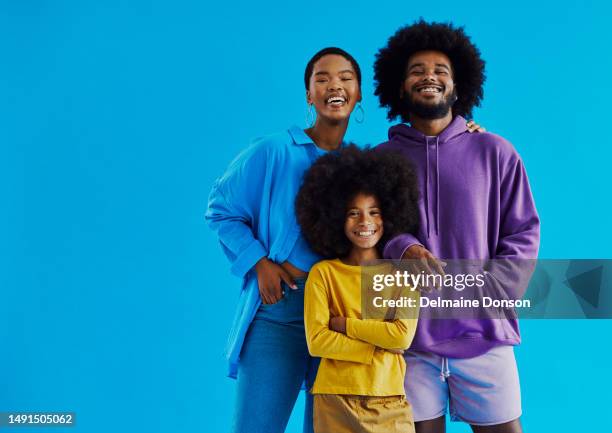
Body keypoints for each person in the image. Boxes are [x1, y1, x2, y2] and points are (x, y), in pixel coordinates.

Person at [373, 20, 540, 433]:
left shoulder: (495, 151)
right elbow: (367, 229)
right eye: (416, 70)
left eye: (440, 70)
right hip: (408, 339)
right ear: (399, 86)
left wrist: (491, 292)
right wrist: (402, 247)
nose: (429, 76)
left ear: (457, 85)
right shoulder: (378, 160)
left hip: (484, 333)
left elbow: (523, 232)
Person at [205, 47, 363, 433]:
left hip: (337, 316)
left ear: (359, 93)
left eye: (345, 78)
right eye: (322, 79)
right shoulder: (273, 150)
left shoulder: (362, 165)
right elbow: (220, 209)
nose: (334, 86)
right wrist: (259, 264)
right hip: (280, 313)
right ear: (309, 95)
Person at [296, 145, 421, 433]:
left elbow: (401, 337)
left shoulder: (403, 276)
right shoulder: (323, 274)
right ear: (335, 217)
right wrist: (375, 347)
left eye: (374, 212)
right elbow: (317, 341)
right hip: (334, 398)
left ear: (389, 216)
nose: (364, 222)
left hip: (388, 396)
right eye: (353, 213)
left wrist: (344, 325)